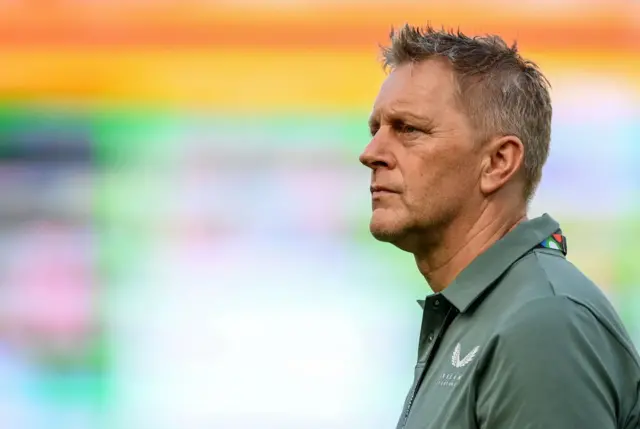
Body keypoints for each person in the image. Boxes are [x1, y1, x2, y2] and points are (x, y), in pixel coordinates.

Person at [359, 24, 640, 429]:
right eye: (376, 130)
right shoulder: (484, 312)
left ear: (497, 163)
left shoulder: (542, 321)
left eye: (409, 130)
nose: (371, 154)